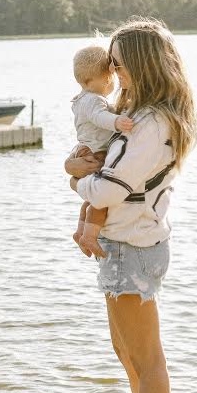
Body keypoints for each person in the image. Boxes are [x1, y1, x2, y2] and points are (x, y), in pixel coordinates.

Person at [64, 17, 197, 393]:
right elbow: (105, 170)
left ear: (140, 63)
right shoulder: (139, 115)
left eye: (118, 64)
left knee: (147, 358)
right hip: (126, 245)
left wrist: (71, 177)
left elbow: (108, 187)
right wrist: (81, 166)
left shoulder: (152, 122)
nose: (113, 72)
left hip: (134, 249)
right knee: (128, 354)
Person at [69, 45, 134, 256]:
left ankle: (80, 232)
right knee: (100, 200)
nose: (112, 82)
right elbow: (100, 117)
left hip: (85, 150)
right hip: (96, 153)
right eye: (109, 77)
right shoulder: (94, 101)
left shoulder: (81, 100)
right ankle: (89, 236)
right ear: (98, 79)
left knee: (90, 200)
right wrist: (118, 121)